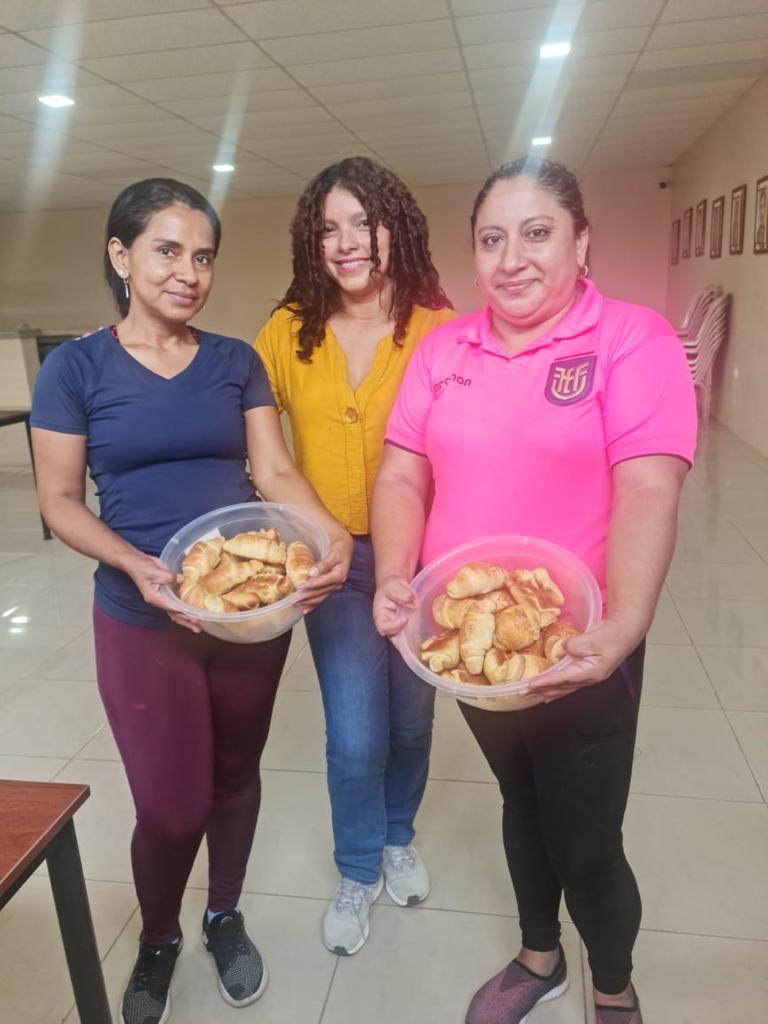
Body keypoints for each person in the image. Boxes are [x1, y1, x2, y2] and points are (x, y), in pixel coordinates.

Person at [371, 157, 697, 1024]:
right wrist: (396, 574)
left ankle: (613, 985)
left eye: (537, 233)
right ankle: (539, 956)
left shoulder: (631, 339)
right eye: (491, 239)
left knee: (585, 842)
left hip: (585, 644)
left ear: (581, 244)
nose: (511, 258)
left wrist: (624, 625)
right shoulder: (443, 350)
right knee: (521, 801)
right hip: (473, 647)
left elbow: (649, 486)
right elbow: (401, 473)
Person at [30, 178, 353, 1024]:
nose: (189, 273)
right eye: (167, 251)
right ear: (121, 255)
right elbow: (59, 500)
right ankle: (159, 936)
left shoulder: (234, 361)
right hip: (143, 619)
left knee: (237, 777)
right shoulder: (75, 368)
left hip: (248, 614)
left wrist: (331, 534)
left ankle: (224, 914)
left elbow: (272, 470)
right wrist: (135, 564)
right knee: (173, 807)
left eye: (203, 256)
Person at [254, 156, 454, 955]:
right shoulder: (286, 329)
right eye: (327, 228)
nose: (346, 243)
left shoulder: (438, 328)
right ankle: (357, 866)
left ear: (394, 228)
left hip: (422, 561)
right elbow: (234, 412)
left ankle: (398, 833)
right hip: (332, 562)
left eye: (362, 224)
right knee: (357, 731)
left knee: (411, 721)